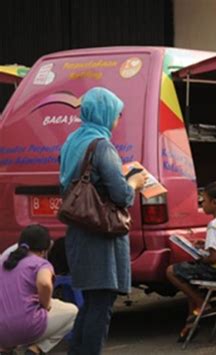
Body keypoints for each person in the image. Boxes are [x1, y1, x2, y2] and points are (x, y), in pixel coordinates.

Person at [59, 87, 146, 355]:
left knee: (91, 302)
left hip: (79, 232)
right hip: (101, 236)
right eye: (117, 114)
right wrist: (134, 181)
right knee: (101, 305)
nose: (117, 120)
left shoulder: (72, 141)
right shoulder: (102, 146)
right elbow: (121, 195)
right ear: (105, 113)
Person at [166, 181, 216, 342]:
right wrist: (205, 244)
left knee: (172, 271)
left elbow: (213, 258)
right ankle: (195, 313)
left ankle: (201, 303)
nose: (202, 203)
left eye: (204, 200)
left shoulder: (214, 225)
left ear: (214, 203)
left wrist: (200, 257)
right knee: (189, 272)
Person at [0, 225, 78, 355]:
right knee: (73, 312)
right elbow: (44, 283)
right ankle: (35, 350)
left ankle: (5, 349)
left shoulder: (4, 261)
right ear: (46, 249)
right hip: (26, 327)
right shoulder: (40, 263)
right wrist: (45, 304)